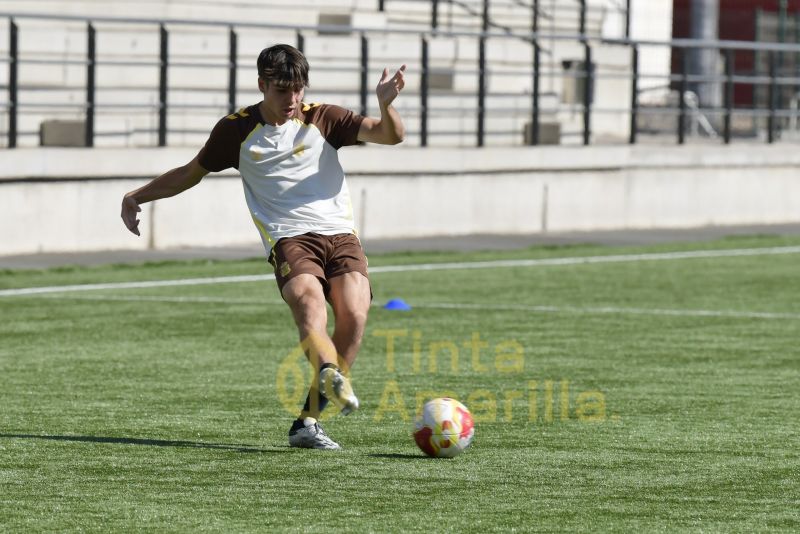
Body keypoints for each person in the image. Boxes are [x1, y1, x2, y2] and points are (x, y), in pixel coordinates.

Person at [121, 44, 406, 450]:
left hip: (341, 235)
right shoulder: (236, 130)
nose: (292, 100)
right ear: (261, 85)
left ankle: (308, 421)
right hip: (289, 238)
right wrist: (137, 196)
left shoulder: (325, 117)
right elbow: (190, 173)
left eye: (298, 89)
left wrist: (385, 104)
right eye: (281, 90)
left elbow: (390, 135)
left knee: (355, 316)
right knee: (308, 303)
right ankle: (329, 370)